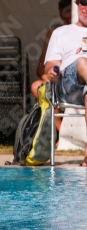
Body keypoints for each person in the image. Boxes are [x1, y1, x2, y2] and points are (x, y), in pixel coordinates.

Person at [45, 0, 87, 166]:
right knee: (83, 62)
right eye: (83, 2)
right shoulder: (61, 32)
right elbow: (51, 64)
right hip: (68, 88)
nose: (86, 7)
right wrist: (52, 71)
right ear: (77, 4)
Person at [31, 0, 72, 132]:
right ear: (61, 14)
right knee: (39, 87)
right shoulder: (55, 33)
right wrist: (49, 76)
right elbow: (40, 69)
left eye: (73, 11)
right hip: (58, 82)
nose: (71, 15)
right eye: (67, 12)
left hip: (78, 81)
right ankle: (63, 132)